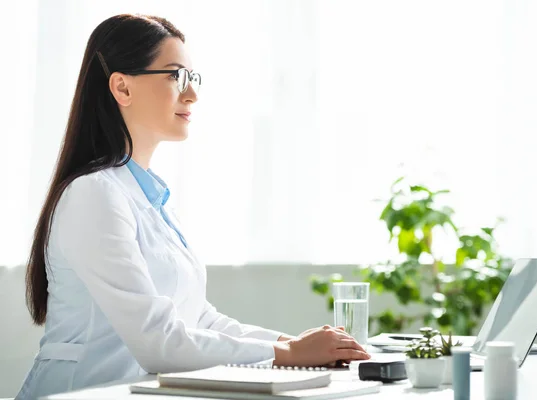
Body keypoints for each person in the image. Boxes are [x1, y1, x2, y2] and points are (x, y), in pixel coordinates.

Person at [16, 14, 370, 399]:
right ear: (122, 87)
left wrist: (296, 343)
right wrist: (287, 353)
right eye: (175, 76)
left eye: (192, 79)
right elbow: (158, 343)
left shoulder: (149, 196)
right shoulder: (94, 194)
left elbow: (197, 318)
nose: (192, 95)